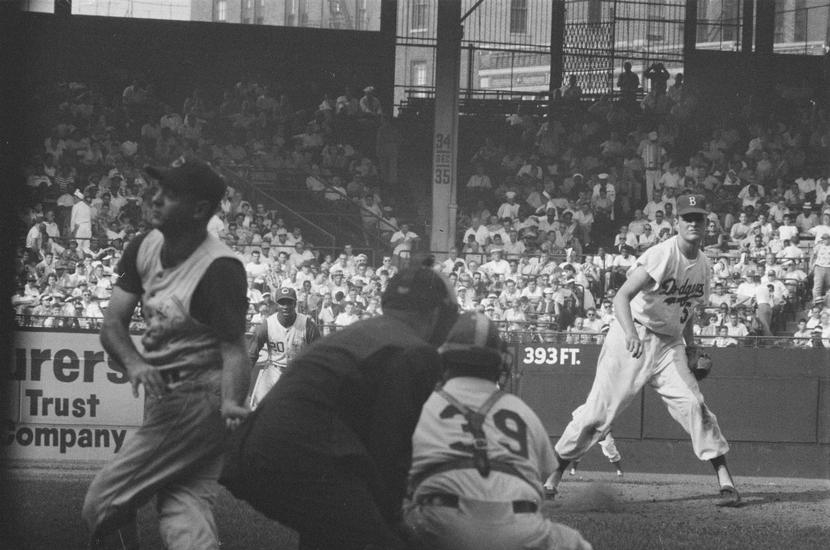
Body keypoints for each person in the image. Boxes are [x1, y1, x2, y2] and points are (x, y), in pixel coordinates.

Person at [219, 261, 459, 550]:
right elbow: (390, 448)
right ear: (437, 314)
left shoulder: (360, 332)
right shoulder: (416, 351)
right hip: (298, 456)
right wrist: (393, 519)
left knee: (330, 534)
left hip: (252, 452)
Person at [82, 161, 251, 549]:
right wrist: (135, 363)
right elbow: (112, 325)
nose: (155, 198)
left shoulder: (219, 268)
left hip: (195, 400)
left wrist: (230, 402)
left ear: (199, 209)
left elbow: (234, 349)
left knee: (102, 504)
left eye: (170, 194)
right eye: (158, 189)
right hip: (169, 399)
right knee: (184, 512)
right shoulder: (144, 245)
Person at [542, 194, 741, 508]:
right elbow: (621, 296)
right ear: (677, 222)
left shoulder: (704, 266)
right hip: (632, 334)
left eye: (698, 218)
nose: (693, 223)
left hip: (669, 345)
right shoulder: (662, 254)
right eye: (687, 218)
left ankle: (725, 481)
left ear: (706, 224)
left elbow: (686, 309)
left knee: (694, 405)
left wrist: (691, 347)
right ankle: (552, 476)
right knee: (598, 414)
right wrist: (631, 334)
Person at [404, 312, 592, 550]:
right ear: (500, 363)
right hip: (520, 526)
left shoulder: (424, 406)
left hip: (441, 522)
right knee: (574, 543)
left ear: (444, 361)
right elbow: (545, 474)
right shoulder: (521, 411)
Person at [246, 286, 321, 410]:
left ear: (295, 304)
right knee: (258, 407)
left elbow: (320, 355)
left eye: (289, 302)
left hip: (298, 372)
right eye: (282, 303)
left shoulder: (307, 324)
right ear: (277, 305)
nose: (285, 306)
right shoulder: (268, 324)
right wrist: (243, 382)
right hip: (274, 369)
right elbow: (252, 354)